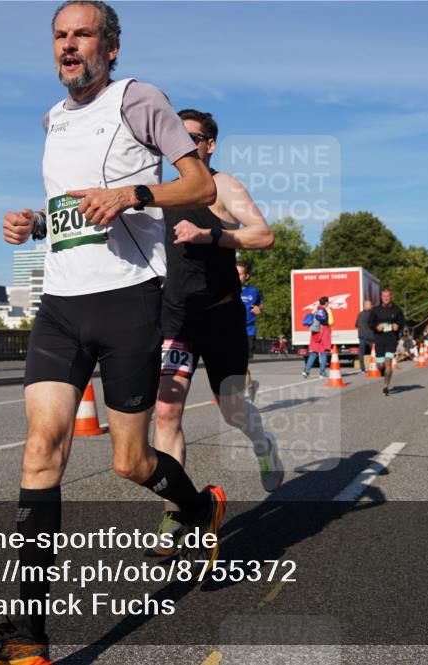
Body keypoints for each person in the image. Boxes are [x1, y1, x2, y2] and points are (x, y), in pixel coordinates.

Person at [0, 4, 223, 663]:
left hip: (128, 300)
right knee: (41, 448)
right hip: (61, 306)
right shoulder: (50, 119)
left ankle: (198, 505)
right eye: (60, 37)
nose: (70, 47)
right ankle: (29, 638)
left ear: (112, 47)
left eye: (83, 35)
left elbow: (199, 183)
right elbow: (71, 210)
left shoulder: (139, 99)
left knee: (130, 461)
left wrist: (134, 195)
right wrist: (33, 224)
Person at [151, 109, 281, 554]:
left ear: (209, 145)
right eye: (176, 137)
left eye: (192, 137)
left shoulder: (223, 186)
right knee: (166, 412)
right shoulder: (161, 190)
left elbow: (263, 235)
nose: (183, 144)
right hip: (177, 315)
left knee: (231, 410)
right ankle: (176, 511)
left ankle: (263, 444)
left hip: (222, 314)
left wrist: (212, 235)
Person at [368, 289, 405, 396]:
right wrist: (376, 327)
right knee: (380, 365)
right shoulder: (375, 310)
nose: (386, 298)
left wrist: (397, 325)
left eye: (387, 296)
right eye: (384, 296)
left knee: (388, 360)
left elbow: (402, 322)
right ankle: (384, 372)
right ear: (381, 297)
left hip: (391, 339)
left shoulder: (396, 310)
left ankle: (386, 386)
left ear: (391, 297)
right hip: (379, 339)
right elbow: (370, 323)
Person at [238, 259, 263, 402]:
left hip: (248, 330)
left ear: (246, 276)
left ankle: (245, 390)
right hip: (230, 331)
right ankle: (251, 386)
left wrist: (260, 308)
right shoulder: (225, 289)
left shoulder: (253, 291)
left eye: (240, 274)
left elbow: (262, 303)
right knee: (236, 363)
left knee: (242, 363)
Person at [302, 296, 333, 378]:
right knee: (323, 354)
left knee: (313, 353)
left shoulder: (315, 310)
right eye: (328, 302)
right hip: (323, 334)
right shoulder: (326, 310)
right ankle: (322, 372)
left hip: (315, 334)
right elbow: (330, 322)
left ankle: (306, 371)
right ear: (326, 303)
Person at [356, 299, 374, 373]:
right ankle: (374, 366)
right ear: (366, 305)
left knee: (361, 352)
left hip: (361, 336)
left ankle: (362, 368)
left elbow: (356, 324)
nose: (371, 306)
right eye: (370, 304)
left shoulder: (360, 314)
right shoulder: (371, 314)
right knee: (374, 352)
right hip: (370, 336)